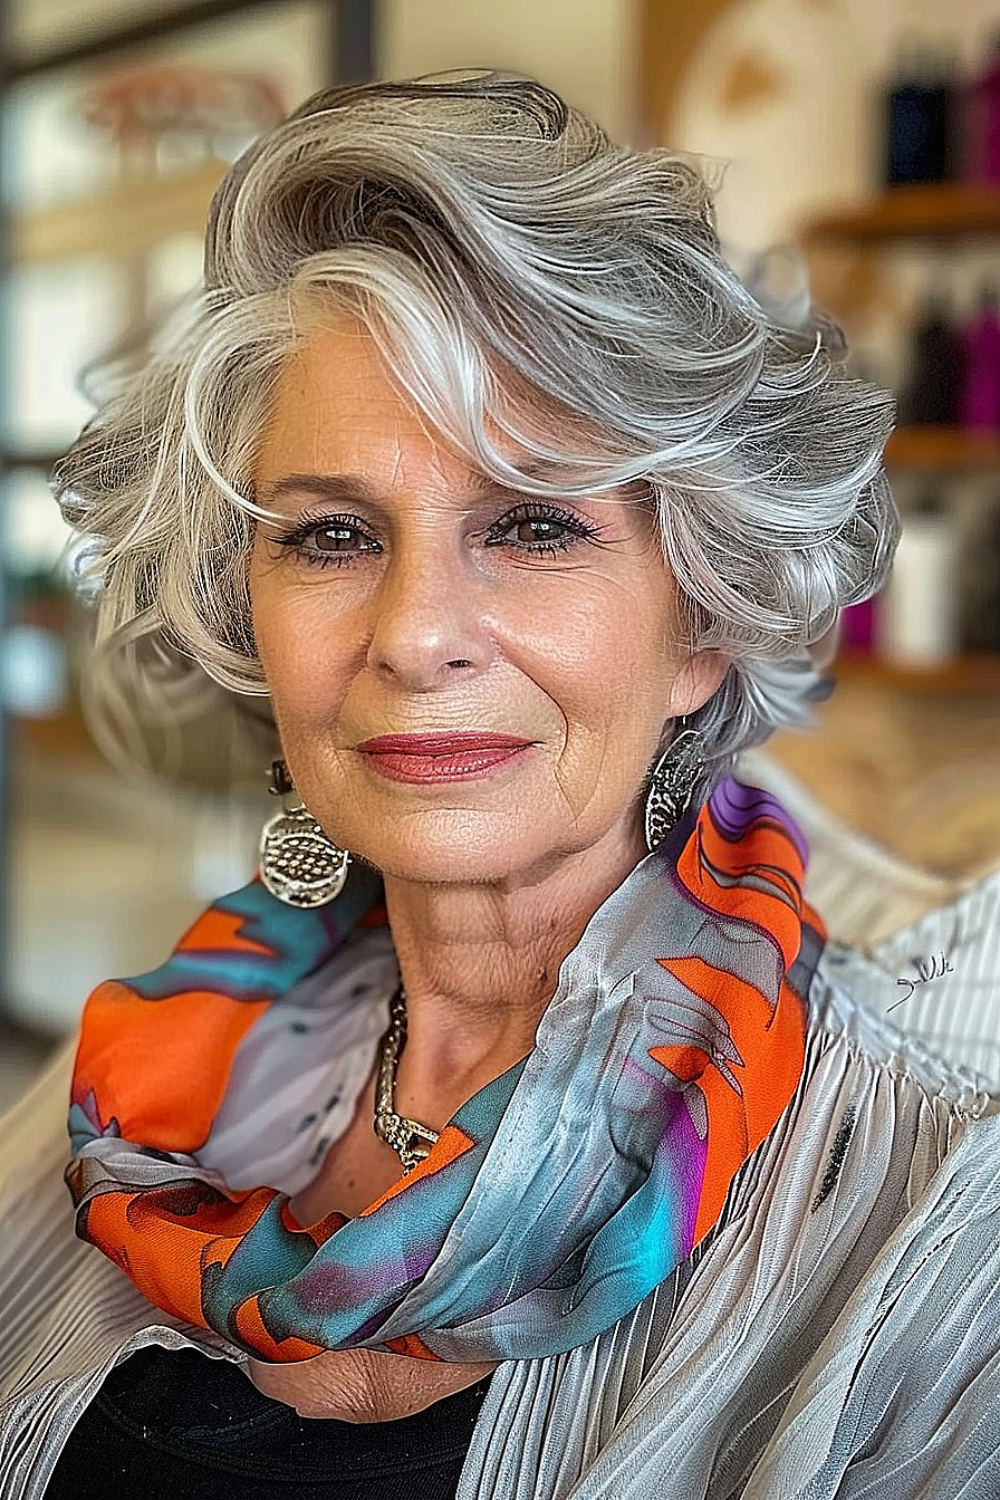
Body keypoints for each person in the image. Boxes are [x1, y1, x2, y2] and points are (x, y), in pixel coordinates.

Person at [2, 71, 1000, 1500]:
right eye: (333, 534)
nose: (412, 635)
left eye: (534, 526)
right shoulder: (131, 1089)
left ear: (703, 625)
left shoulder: (939, 1233)